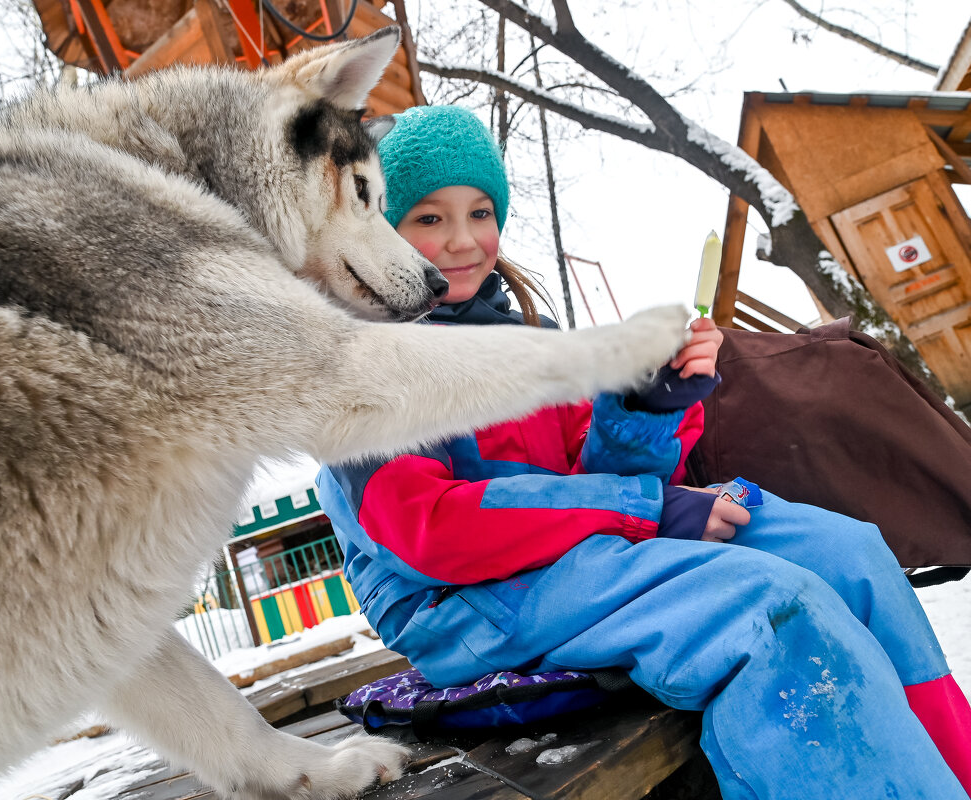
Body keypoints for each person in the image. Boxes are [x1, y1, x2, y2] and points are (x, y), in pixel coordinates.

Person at [316, 104, 971, 799]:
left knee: (847, 553)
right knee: (765, 607)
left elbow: (598, 476)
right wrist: (648, 507)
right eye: (428, 218)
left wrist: (650, 403)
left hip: (565, 559)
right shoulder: (363, 365)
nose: (463, 239)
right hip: (461, 602)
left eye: (480, 212)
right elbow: (429, 528)